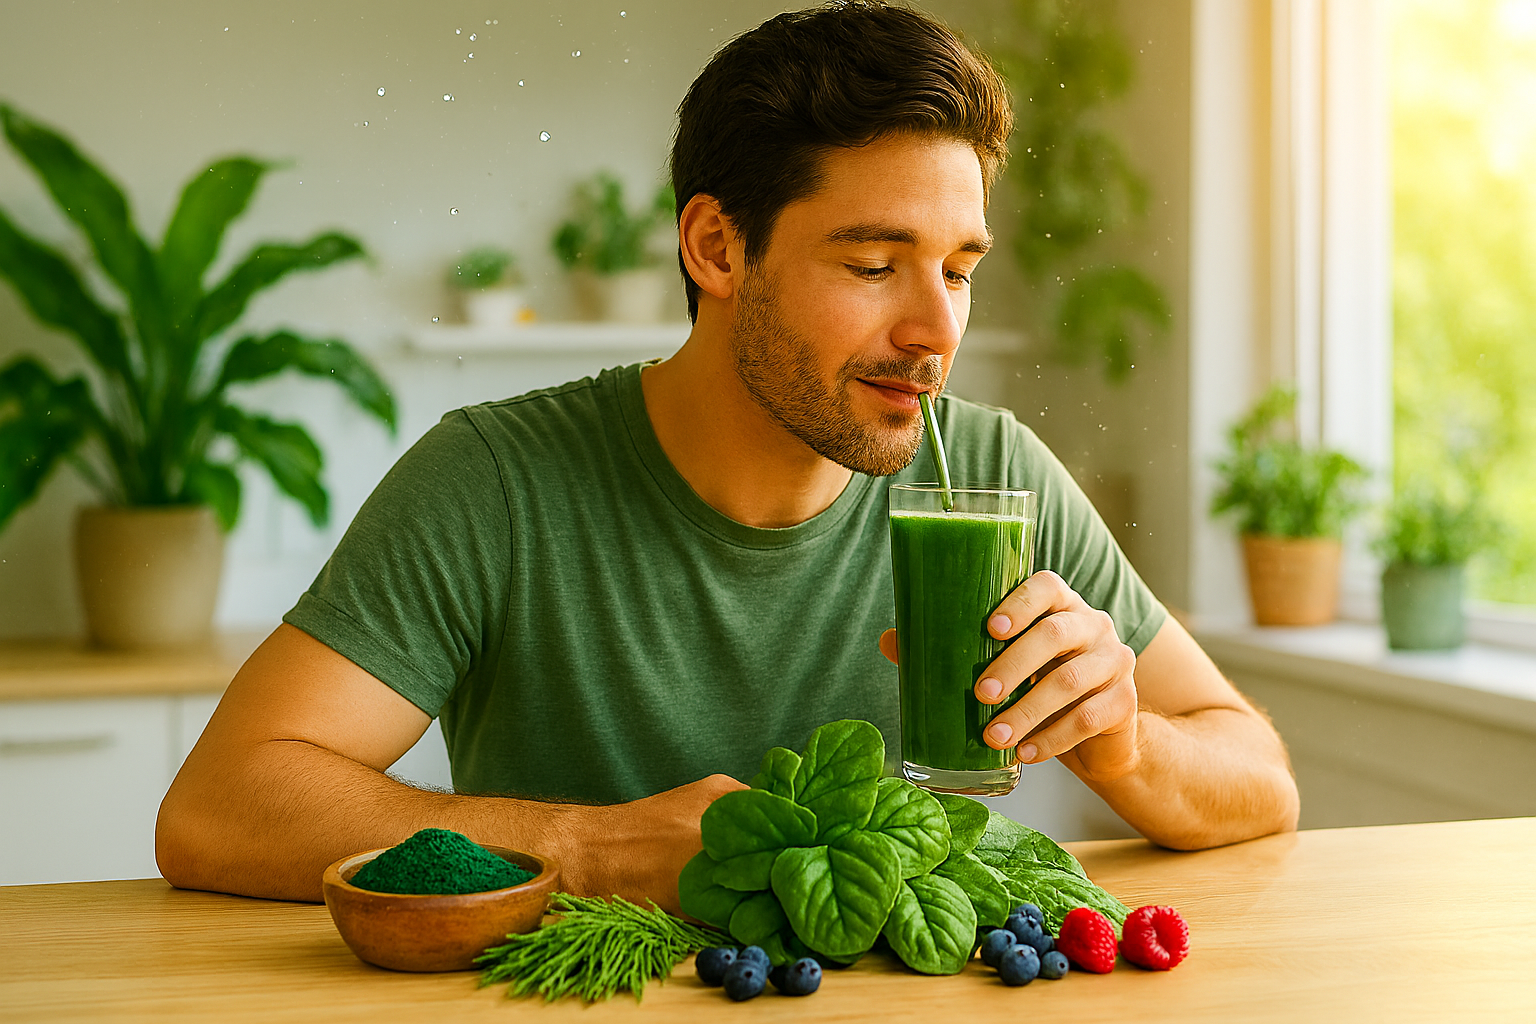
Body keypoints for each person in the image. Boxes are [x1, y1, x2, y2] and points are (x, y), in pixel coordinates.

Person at [156, 1, 1298, 910]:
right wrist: (591, 848)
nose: (937, 330)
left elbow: (1260, 777)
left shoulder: (989, 477)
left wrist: (1126, 744)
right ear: (716, 246)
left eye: (957, 267)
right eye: (871, 264)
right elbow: (219, 805)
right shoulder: (496, 480)